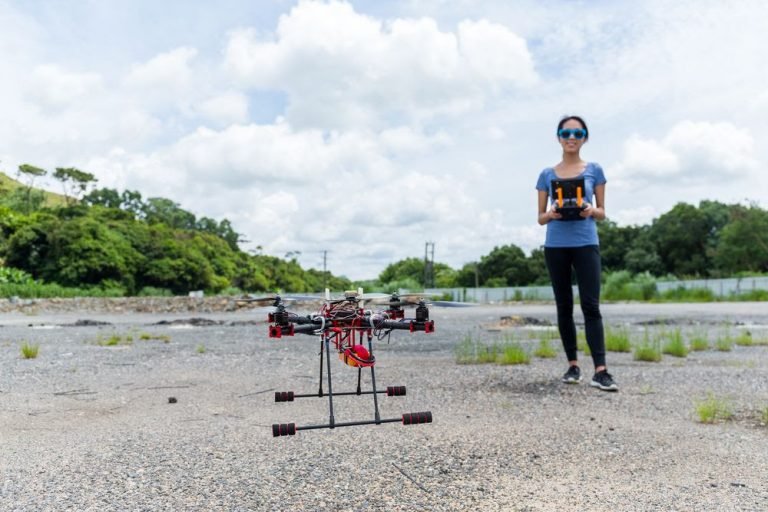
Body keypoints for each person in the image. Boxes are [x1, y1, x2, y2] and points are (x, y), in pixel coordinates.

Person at [535, 115, 618, 392]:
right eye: (566, 132)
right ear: (558, 136)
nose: (572, 137)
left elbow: (603, 213)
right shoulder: (547, 174)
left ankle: (601, 370)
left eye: (578, 132)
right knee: (564, 306)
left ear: (584, 137)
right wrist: (552, 213)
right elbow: (540, 218)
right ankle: (572, 365)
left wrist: (590, 209)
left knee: (591, 306)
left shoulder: (594, 170)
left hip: (585, 242)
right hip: (556, 245)